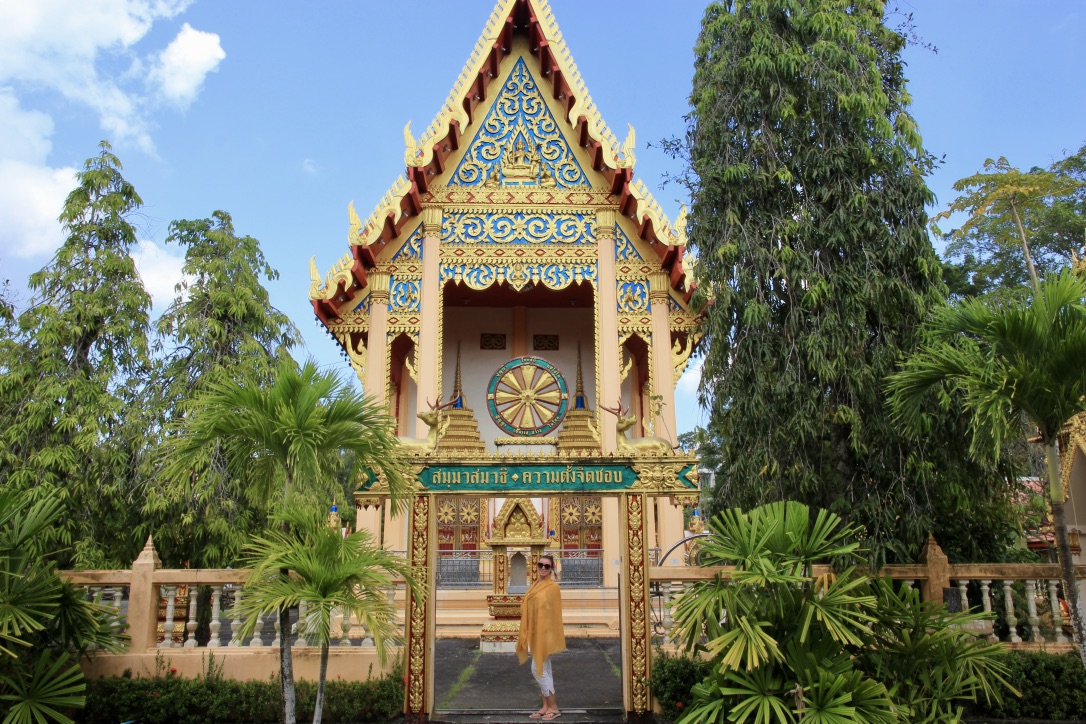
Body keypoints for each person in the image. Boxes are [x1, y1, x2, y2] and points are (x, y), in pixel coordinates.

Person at [517, 553, 566, 720]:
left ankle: (554, 706)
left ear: (552, 569)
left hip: (545, 635)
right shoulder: (536, 585)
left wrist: (551, 641)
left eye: (547, 566)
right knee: (545, 670)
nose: (543, 568)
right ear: (537, 567)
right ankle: (546, 706)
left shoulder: (552, 588)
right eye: (541, 565)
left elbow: (554, 616)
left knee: (538, 670)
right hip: (535, 632)